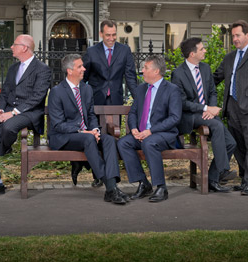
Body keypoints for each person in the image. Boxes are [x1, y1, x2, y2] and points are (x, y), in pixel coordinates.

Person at [0, 34, 51, 196]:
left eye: (14, 44)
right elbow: (5, 93)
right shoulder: (13, 68)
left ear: (24, 48)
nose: (11, 47)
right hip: (8, 111)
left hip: (29, 113)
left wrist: (13, 113)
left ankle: (3, 148)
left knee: (9, 126)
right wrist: (1, 110)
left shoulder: (42, 69)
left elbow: (37, 97)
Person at [48, 54, 129, 205]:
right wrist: (83, 131)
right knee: (89, 138)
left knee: (110, 140)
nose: (84, 69)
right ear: (69, 70)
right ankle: (111, 188)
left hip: (87, 135)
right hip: (63, 136)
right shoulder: (57, 92)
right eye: (79, 66)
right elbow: (58, 124)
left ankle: (111, 188)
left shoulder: (86, 89)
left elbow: (91, 115)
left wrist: (95, 130)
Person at [71, 19, 138, 186]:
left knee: (111, 136)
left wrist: (139, 98)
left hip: (115, 100)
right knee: (96, 135)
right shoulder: (92, 51)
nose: (111, 38)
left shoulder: (124, 50)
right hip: (95, 100)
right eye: (108, 35)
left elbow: (130, 76)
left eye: (114, 34)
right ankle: (97, 176)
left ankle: (108, 173)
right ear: (101, 34)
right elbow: (82, 77)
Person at [171, 38, 237, 193]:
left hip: (208, 113)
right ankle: (223, 170)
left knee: (231, 143)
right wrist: (205, 108)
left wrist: (211, 108)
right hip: (189, 116)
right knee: (216, 124)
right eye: (202, 49)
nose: (205, 51)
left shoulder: (205, 68)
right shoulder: (178, 74)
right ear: (192, 53)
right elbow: (181, 103)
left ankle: (213, 180)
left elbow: (212, 91)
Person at [213, 20, 248, 196]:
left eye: (238, 35)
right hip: (232, 108)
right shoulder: (229, 57)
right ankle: (246, 178)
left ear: (247, 35)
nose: (235, 39)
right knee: (237, 145)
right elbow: (215, 78)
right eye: (233, 36)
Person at [117, 55, 182, 202]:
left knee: (149, 142)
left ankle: (161, 187)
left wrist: (151, 131)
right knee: (123, 143)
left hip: (163, 134)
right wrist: (133, 129)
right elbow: (133, 112)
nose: (142, 71)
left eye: (146, 68)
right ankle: (143, 183)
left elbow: (174, 118)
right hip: (141, 133)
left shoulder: (172, 90)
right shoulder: (141, 89)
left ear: (156, 71)